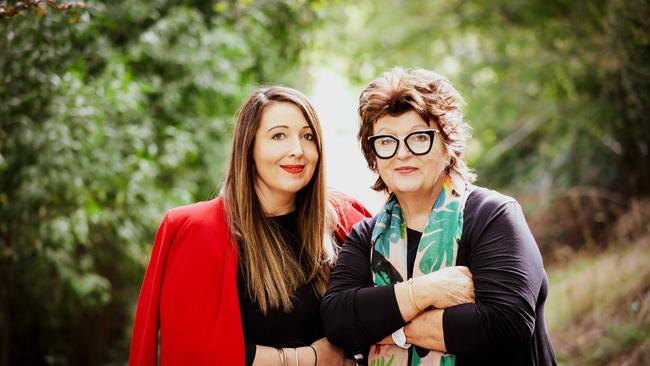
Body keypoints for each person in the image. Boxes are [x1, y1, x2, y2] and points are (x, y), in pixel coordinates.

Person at [321, 67, 557, 366]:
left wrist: (384, 327)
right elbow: (338, 323)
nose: (402, 153)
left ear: (448, 145)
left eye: (419, 138)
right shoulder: (365, 236)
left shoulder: (493, 216)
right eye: (386, 141)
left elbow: (505, 322)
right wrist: (426, 291)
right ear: (373, 156)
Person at [129, 86, 371, 366]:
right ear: (249, 147)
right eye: (279, 135)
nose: (297, 150)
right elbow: (195, 350)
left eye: (308, 136)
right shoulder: (200, 230)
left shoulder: (341, 219)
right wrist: (310, 358)